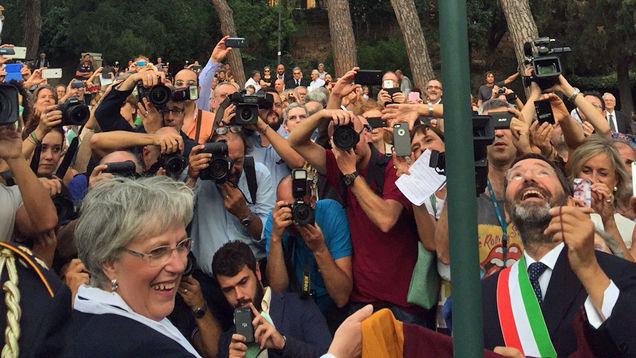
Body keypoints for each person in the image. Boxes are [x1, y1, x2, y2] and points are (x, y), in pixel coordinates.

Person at [289, 68, 434, 328]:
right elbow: (296, 141)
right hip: (362, 302)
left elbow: (386, 219)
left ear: (367, 134)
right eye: (339, 137)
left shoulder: (393, 167)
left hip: (402, 305)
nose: (348, 142)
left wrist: (350, 174)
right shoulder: (340, 163)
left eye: (352, 133)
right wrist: (323, 112)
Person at [481, 154, 636, 357]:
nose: (529, 177)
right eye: (517, 175)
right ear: (506, 212)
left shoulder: (620, 274)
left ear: (571, 205)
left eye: (543, 172)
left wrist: (588, 269)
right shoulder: (484, 296)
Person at [69, 176, 212, 357]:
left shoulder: (81, 320)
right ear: (109, 262)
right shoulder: (147, 350)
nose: (178, 266)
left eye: (182, 245)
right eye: (158, 251)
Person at [213, 241, 332, 358]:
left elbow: (331, 355)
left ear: (257, 272)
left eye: (243, 282)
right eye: (229, 290)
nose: (239, 295)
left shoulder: (300, 307)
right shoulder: (226, 343)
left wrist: (284, 344)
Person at [264, 174, 353, 313]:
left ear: (312, 201)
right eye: (287, 208)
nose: (294, 215)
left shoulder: (332, 213)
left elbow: (342, 298)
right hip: (294, 307)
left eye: (299, 207)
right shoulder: (275, 222)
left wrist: (320, 249)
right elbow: (277, 291)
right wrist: (276, 238)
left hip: (330, 307)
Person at [568, 135, 636, 260]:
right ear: (576, 173)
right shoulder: (561, 216)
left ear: (615, 180)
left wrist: (608, 222)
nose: (593, 179)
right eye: (586, 171)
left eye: (602, 173)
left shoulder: (630, 228)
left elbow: (630, 275)